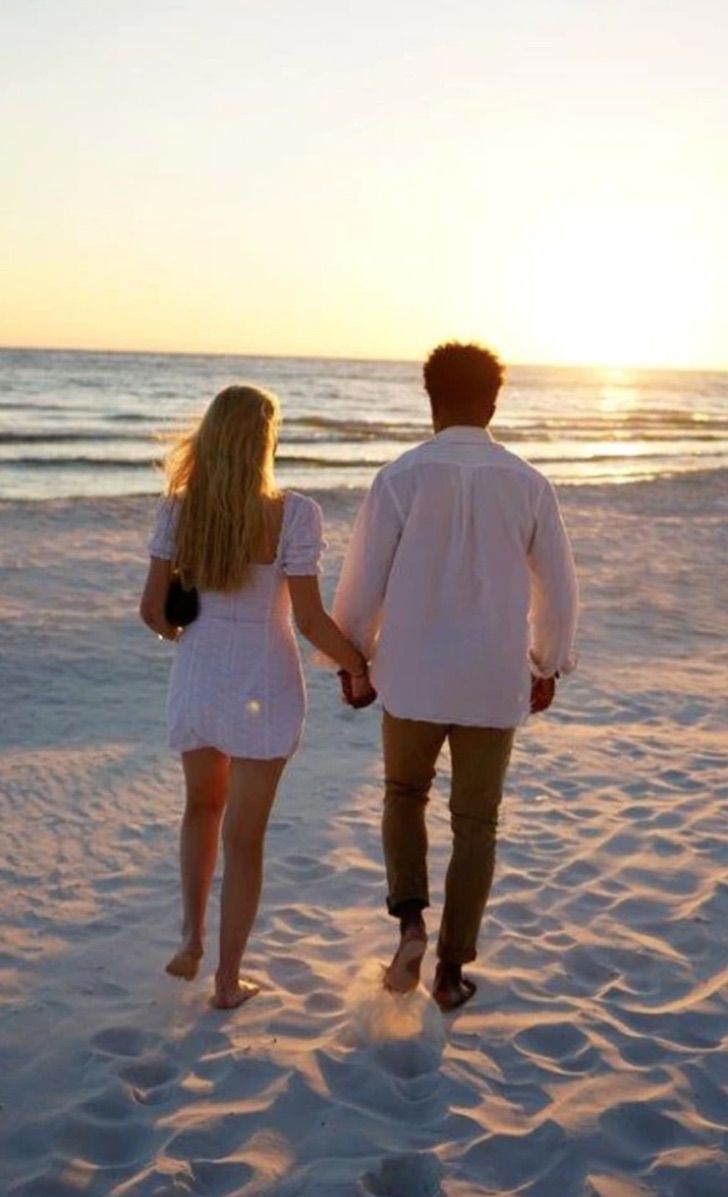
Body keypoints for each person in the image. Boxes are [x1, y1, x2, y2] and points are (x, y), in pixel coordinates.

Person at [333, 343, 578, 1011]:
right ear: (493, 403)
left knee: (403, 792)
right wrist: (548, 662)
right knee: (477, 822)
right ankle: (448, 969)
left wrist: (353, 658)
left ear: (430, 398)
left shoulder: (399, 478)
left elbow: (362, 585)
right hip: (492, 678)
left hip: (410, 673)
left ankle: (410, 922)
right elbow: (558, 592)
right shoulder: (529, 483)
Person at [140, 385, 369, 1009]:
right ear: (266, 442)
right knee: (245, 837)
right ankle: (226, 980)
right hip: (263, 679)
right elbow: (311, 622)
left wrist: (193, 631)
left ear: (211, 436)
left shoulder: (179, 512)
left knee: (199, 809)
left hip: (198, 672)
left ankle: (191, 940)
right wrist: (360, 665)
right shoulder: (294, 514)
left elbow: (152, 614)